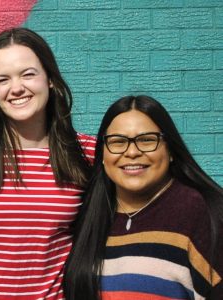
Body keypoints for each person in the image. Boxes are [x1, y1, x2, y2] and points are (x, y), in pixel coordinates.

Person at [0, 27, 95, 299]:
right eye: (2, 80)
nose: (16, 88)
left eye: (28, 74)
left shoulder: (87, 153)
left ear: (50, 79)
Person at [64, 95, 223, 299]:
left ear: (171, 150)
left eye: (147, 140)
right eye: (118, 142)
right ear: (102, 154)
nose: (131, 152)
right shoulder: (91, 215)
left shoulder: (200, 211)